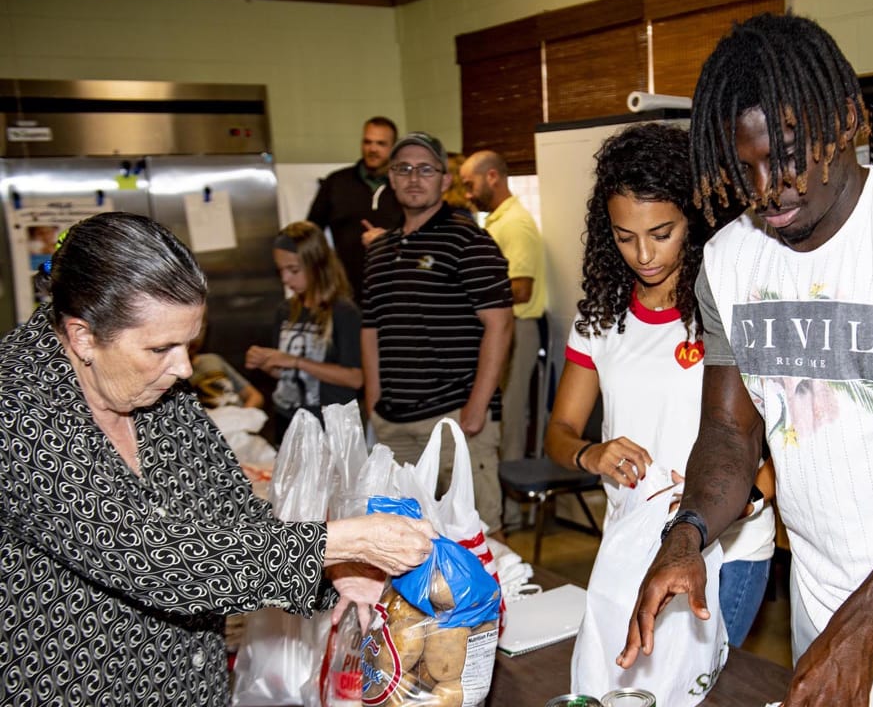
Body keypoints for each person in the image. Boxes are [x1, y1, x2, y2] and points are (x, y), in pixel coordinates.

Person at [619, 13, 873, 706]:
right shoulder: (726, 263)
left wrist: (862, 627)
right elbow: (730, 434)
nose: (768, 189)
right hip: (829, 593)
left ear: (845, 118)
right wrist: (687, 534)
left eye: (785, 154)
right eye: (744, 165)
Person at [0, 212, 438, 705]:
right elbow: (156, 560)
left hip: (187, 683)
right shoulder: (18, 407)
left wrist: (330, 571)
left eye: (189, 343)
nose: (183, 366)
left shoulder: (155, 389)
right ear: (82, 336)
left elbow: (233, 511)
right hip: (79, 683)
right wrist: (338, 541)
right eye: (161, 347)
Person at [544, 123, 775, 650]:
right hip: (631, 543)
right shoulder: (601, 320)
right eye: (625, 237)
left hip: (728, 548)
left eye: (661, 233)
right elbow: (559, 432)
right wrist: (591, 454)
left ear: (693, 221)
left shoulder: (736, 305)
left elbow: (787, 436)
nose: (643, 254)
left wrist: (747, 500)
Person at [362, 132, 513, 539]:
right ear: (390, 180)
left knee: (479, 535)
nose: (414, 178)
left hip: (454, 418)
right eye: (403, 168)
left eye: (426, 169)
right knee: (409, 536)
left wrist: (477, 408)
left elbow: (500, 324)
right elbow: (371, 328)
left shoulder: (469, 240)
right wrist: (374, 401)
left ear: (445, 181)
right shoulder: (379, 250)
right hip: (394, 422)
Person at [460, 150, 547, 461]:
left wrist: (465, 291)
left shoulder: (514, 224)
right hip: (500, 328)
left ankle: (509, 506)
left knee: (508, 419)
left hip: (517, 330)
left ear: (492, 177)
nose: (468, 194)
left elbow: (522, 289)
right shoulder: (498, 222)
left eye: (470, 185)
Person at [245, 220, 363, 440]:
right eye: (281, 270)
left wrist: (294, 360)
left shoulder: (344, 312)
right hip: (288, 420)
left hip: (329, 427)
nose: (285, 279)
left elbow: (355, 378)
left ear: (317, 265)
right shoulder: (285, 310)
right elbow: (286, 374)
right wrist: (266, 362)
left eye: (293, 270)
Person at [306, 116, 402, 302]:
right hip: (346, 291)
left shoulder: (407, 185)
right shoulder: (336, 182)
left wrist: (388, 240)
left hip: (397, 290)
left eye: (381, 144)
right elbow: (311, 232)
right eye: (367, 142)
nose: (372, 149)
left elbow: (425, 235)